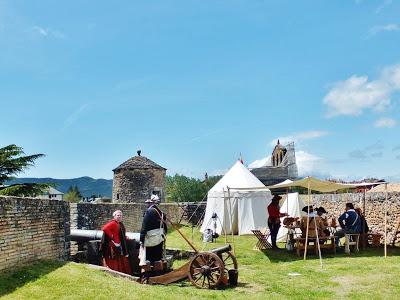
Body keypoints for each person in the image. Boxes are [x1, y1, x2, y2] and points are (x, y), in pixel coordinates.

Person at [100, 210, 132, 275]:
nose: (119, 217)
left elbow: (121, 233)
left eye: (120, 215)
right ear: (114, 216)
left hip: (119, 244)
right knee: (114, 259)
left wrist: (125, 237)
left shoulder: (120, 224)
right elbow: (105, 228)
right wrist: (111, 236)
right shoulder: (113, 223)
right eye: (118, 215)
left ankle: (120, 271)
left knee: (120, 259)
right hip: (114, 245)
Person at [140, 194, 167, 263]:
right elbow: (165, 227)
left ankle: (149, 272)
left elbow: (144, 227)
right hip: (160, 238)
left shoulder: (149, 212)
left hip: (150, 239)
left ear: (151, 203)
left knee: (149, 258)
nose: (147, 205)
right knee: (158, 257)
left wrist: (141, 239)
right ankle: (159, 271)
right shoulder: (162, 213)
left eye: (148, 203)